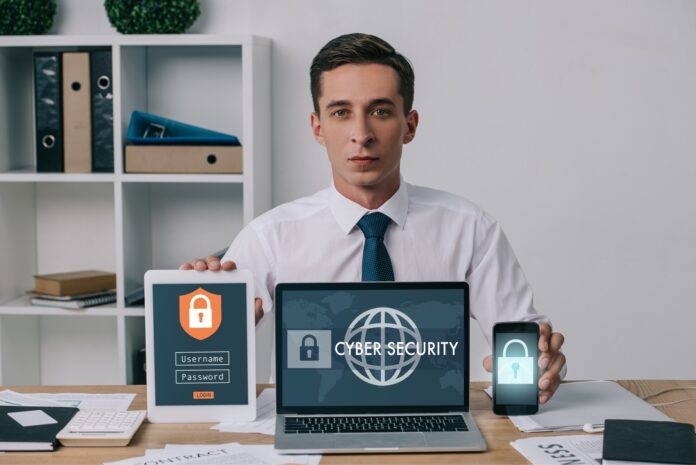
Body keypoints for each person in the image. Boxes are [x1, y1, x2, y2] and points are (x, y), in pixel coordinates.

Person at [180, 33, 566, 404]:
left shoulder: (470, 229)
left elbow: (522, 337)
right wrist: (206, 326)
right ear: (318, 128)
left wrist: (542, 366)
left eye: (380, 111)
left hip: (433, 419)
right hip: (313, 421)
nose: (361, 134)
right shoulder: (270, 237)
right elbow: (206, 362)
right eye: (341, 112)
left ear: (409, 125)